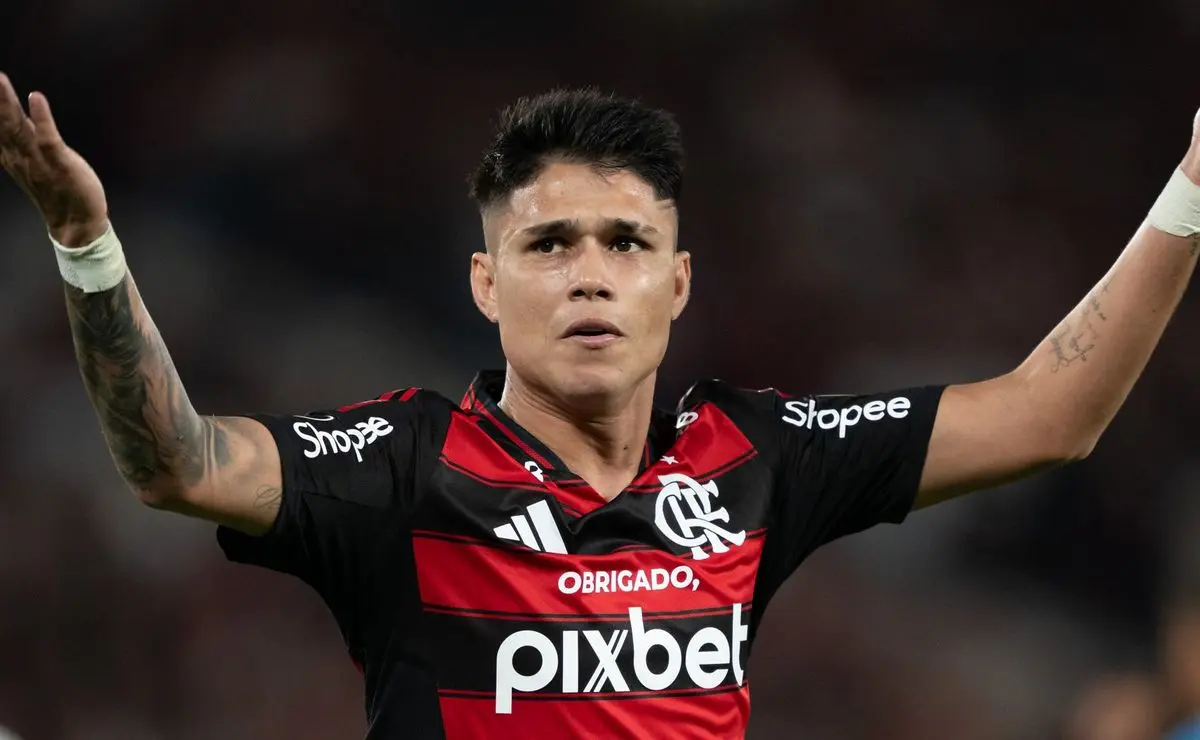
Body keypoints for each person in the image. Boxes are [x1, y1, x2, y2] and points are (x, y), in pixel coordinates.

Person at [2, 71, 1199, 739]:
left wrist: (1193, 184)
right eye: (549, 243)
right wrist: (87, 243)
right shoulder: (406, 465)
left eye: (626, 242)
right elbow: (178, 463)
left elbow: (1050, 414)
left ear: (677, 283)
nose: (588, 273)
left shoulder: (754, 457)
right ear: (486, 282)